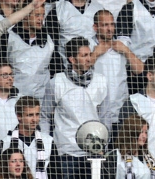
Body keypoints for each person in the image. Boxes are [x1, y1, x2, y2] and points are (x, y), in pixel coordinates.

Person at [44, 36, 110, 179]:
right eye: (84, 55)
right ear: (72, 59)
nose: (88, 59)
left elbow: (105, 117)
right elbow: (44, 116)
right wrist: (46, 146)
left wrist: (103, 145)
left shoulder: (101, 81)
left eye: (90, 54)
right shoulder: (57, 82)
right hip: (66, 152)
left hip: (93, 150)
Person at [0, 96, 53, 179]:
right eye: (30, 115)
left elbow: (56, 173)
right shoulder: (4, 143)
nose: (35, 119)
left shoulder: (49, 141)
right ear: (19, 116)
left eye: (37, 114)